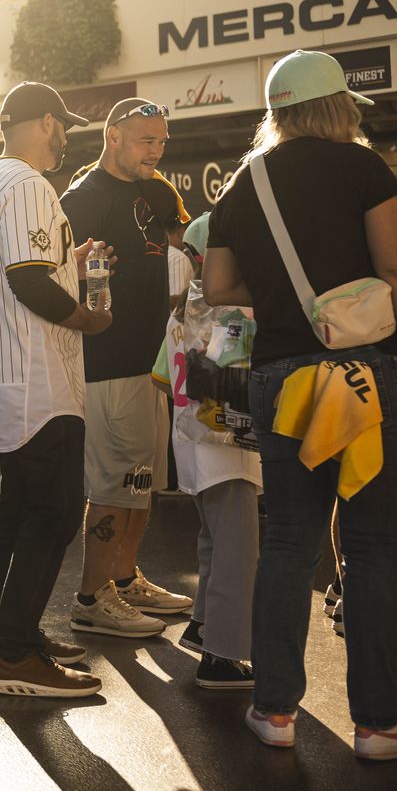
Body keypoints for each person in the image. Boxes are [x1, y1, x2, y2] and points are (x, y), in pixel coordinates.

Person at [201, 50, 397, 759]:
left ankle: (275, 711)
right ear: (338, 106)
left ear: (277, 112)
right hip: (365, 375)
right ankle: (379, 723)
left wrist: (294, 300)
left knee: (289, 540)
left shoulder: (242, 184)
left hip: (282, 375)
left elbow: (220, 285)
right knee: (372, 546)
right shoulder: (363, 168)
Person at [0, 84, 107, 697]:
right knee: (52, 512)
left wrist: (70, 260)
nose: (65, 138)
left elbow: (23, 264)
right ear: (44, 122)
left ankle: (8, 630)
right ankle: (16, 653)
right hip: (35, 373)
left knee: (18, 508)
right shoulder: (27, 183)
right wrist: (87, 317)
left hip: (6, 370)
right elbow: (27, 279)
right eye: (62, 127)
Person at [59, 97, 194, 638]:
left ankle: (125, 575)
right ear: (113, 136)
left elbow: (186, 252)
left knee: (142, 480)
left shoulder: (159, 191)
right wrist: (75, 267)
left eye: (162, 141)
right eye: (146, 140)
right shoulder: (82, 198)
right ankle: (93, 596)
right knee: (113, 484)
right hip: (105, 362)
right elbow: (52, 276)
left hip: (153, 359)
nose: (156, 151)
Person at [152, 213, 261, 690]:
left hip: (192, 438)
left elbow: (161, 376)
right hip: (227, 439)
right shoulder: (230, 311)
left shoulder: (185, 305)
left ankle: (203, 625)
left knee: (214, 539)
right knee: (238, 546)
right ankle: (223, 654)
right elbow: (239, 373)